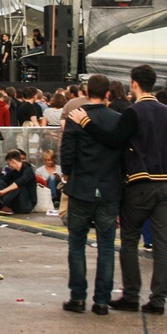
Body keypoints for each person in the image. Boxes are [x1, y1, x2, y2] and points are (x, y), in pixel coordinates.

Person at [67, 64, 167, 314]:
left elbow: (114, 142)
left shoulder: (134, 112)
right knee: (161, 243)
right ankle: (158, 299)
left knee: (130, 239)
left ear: (134, 84)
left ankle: (131, 294)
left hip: (140, 183)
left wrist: (86, 122)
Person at [59, 74, 123, 315]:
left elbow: (67, 151)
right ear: (109, 93)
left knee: (77, 243)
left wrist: (68, 173)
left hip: (81, 186)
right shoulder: (117, 119)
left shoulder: (77, 117)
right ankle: (102, 300)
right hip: (108, 187)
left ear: (86, 91)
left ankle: (77, 297)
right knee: (106, 246)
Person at [0, 149, 36, 214]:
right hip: (16, 202)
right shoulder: (14, 171)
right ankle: (4, 205)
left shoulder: (28, 170)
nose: (9, 166)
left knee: (18, 187)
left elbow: (19, 182)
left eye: (9, 163)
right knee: (1, 182)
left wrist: (3, 191)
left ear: (13, 161)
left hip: (26, 204)